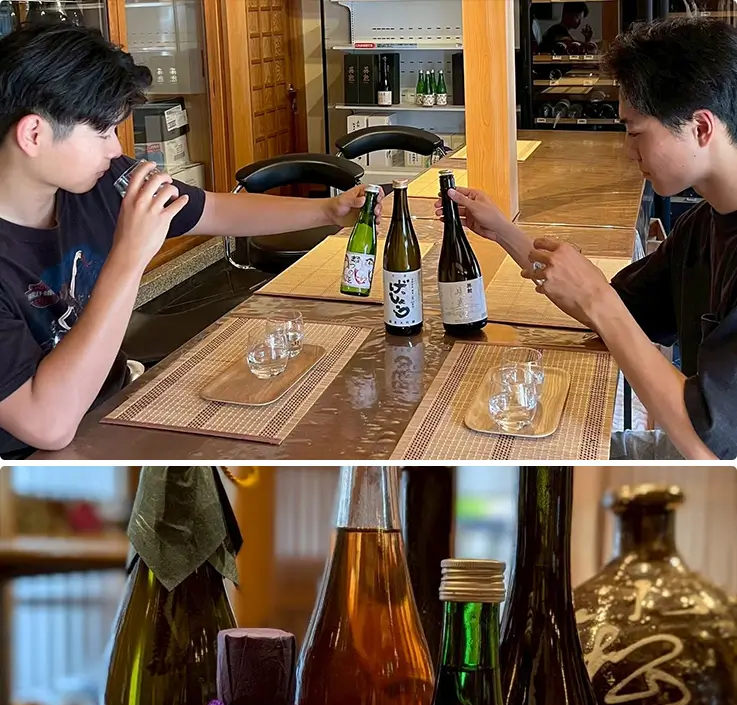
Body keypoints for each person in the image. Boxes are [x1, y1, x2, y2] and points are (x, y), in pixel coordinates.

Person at [0, 23, 383, 459]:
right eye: (103, 132)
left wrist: (326, 212)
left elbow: (215, 211)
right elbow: (47, 427)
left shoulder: (100, 183)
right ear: (34, 134)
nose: (115, 149)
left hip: (116, 399)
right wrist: (129, 257)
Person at [437, 16, 737, 461]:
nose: (627, 149)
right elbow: (624, 311)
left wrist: (598, 297)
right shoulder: (704, 222)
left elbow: (707, 443)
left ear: (701, 128)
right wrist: (503, 231)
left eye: (635, 131)